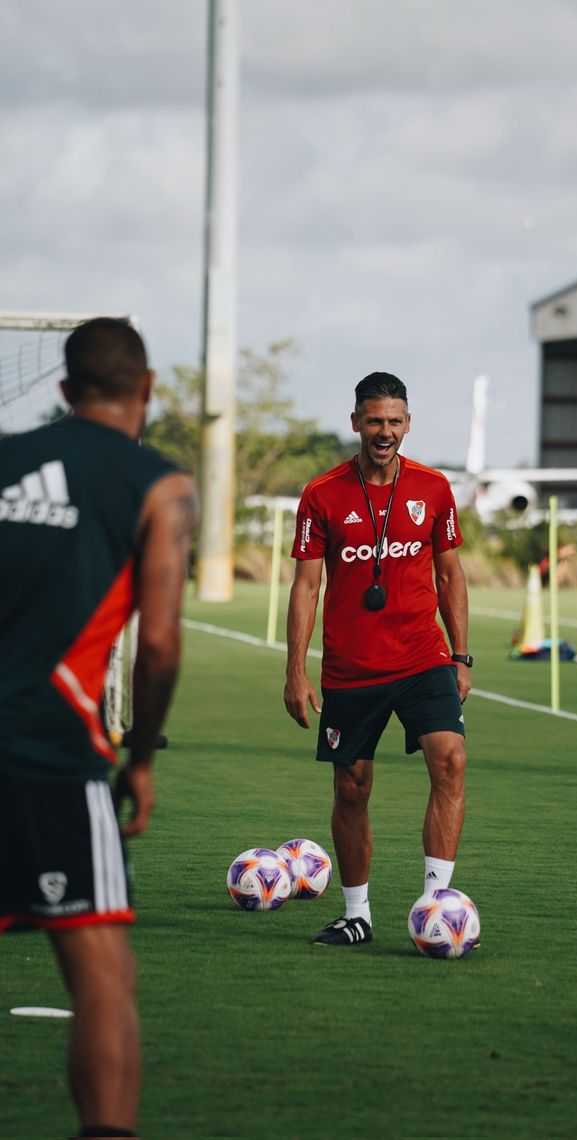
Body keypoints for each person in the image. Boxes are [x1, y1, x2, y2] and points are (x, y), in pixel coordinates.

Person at [0, 318, 197, 1140]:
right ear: (146, 390)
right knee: (105, 980)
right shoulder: (161, 486)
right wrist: (141, 759)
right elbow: (156, 644)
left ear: (62, 389)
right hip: (52, 753)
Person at [283, 371, 471, 946]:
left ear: (407, 424)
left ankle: (437, 903)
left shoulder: (434, 488)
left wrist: (461, 655)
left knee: (451, 761)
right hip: (352, 667)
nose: (384, 432)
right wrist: (295, 669)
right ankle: (357, 914)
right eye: (373, 421)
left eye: (394, 421)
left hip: (423, 657)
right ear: (356, 423)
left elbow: (449, 573)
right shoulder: (323, 494)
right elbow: (306, 586)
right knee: (352, 787)